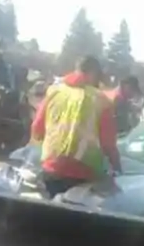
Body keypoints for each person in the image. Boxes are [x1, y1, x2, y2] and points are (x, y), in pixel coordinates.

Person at [30, 56, 120, 197]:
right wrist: (117, 167)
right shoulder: (102, 101)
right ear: (93, 73)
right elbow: (108, 145)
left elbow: (37, 131)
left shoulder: (54, 92)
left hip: (52, 168)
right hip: (83, 174)